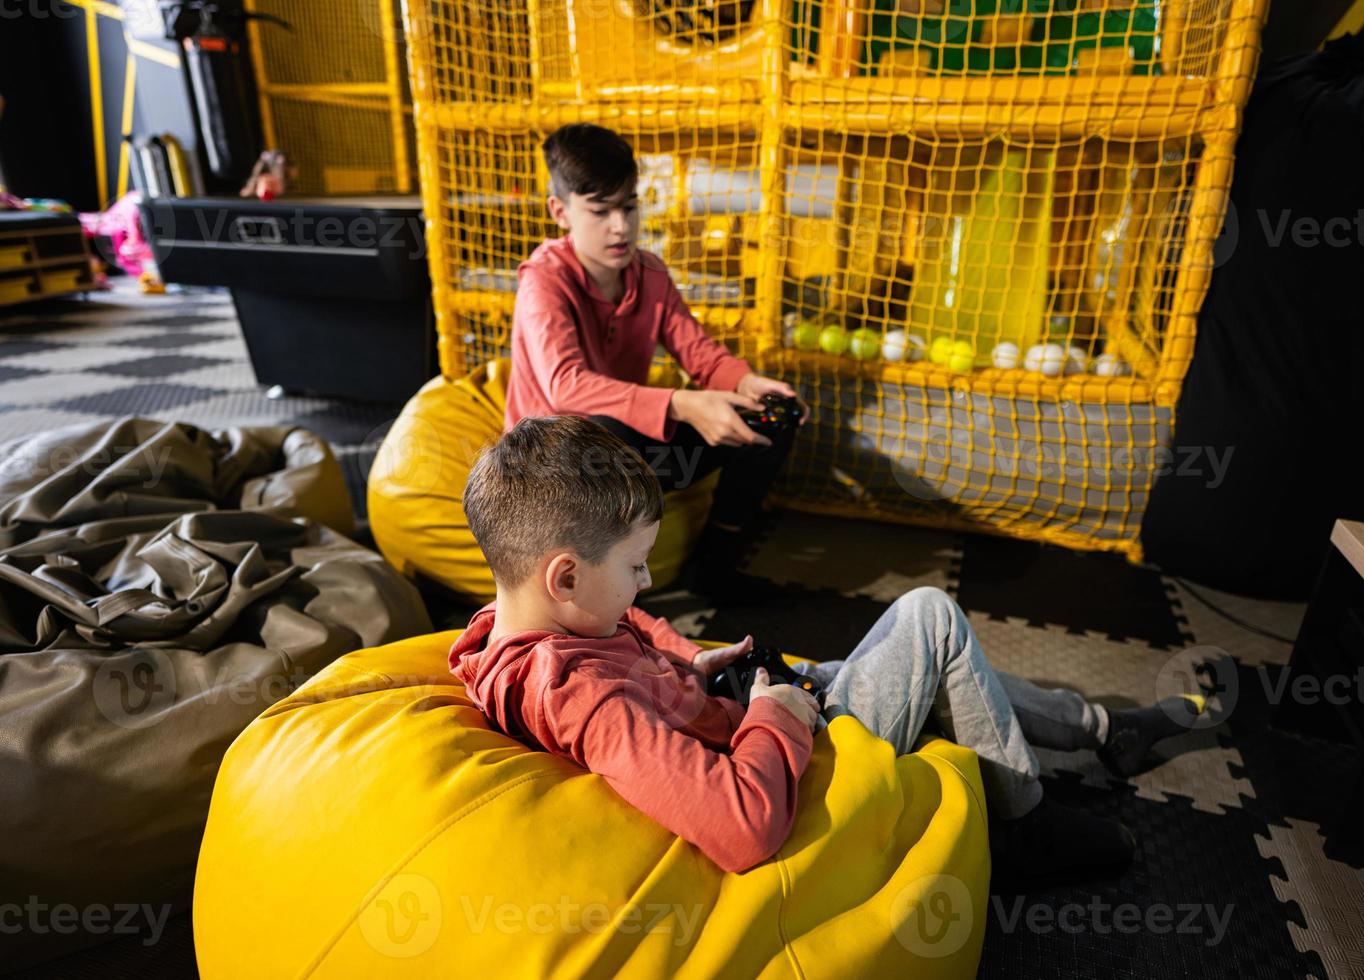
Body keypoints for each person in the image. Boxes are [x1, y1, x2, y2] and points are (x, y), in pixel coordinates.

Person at [451, 415, 1206, 884]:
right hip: (786, 765)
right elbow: (741, 823)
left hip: (742, 713)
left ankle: (1103, 731)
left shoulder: (531, 619)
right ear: (566, 574)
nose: (647, 582)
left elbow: (630, 643)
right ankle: (1022, 819)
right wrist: (775, 715)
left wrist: (692, 666)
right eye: (637, 565)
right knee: (932, 616)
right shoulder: (577, 691)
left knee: (921, 655)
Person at [505, 122, 806, 602]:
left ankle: (714, 570)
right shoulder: (544, 280)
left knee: (775, 417)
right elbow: (566, 386)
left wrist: (747, 383)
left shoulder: (649, 272)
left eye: (628, 206)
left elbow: (698, 352)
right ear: (560, 212)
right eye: (600, 212)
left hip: (625, 455)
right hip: (554, 467)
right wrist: (683, 405)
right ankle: (605, 597)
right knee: (610, 434)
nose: (620, 227)